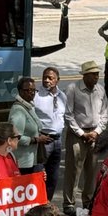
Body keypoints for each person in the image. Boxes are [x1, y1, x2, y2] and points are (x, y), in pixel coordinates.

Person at [63, 61, 108, 216]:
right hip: (78, 134)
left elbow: (104, 114)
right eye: (93, 74)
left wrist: (96, 132)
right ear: (85, 75)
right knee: (73, 169)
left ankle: (88, 201)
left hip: (94, 133)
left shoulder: (100, 90)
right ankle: (69, 202)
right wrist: (82, 133)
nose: (96, 77)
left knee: (92, 170)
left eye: (97, 74)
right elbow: (68, 115)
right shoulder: (73, 89)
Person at [34, 67, 66, 199]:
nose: (47, 80)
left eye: (50, 78)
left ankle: (47, 203)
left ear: (57, 80)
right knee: (40, 174)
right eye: (45, 77)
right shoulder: (36, 95)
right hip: (43, 140)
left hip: (57, 141)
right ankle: (37, 205)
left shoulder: (62, 96)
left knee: (53, 176)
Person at [8, 76, 48, 176]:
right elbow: (16, 137)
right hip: (23, 163)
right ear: (20, 91)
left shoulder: (28, 106)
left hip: (32, 160)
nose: (32, 93)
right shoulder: (18, 110)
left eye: (34, 90)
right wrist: (35, 140)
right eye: (29, 90)